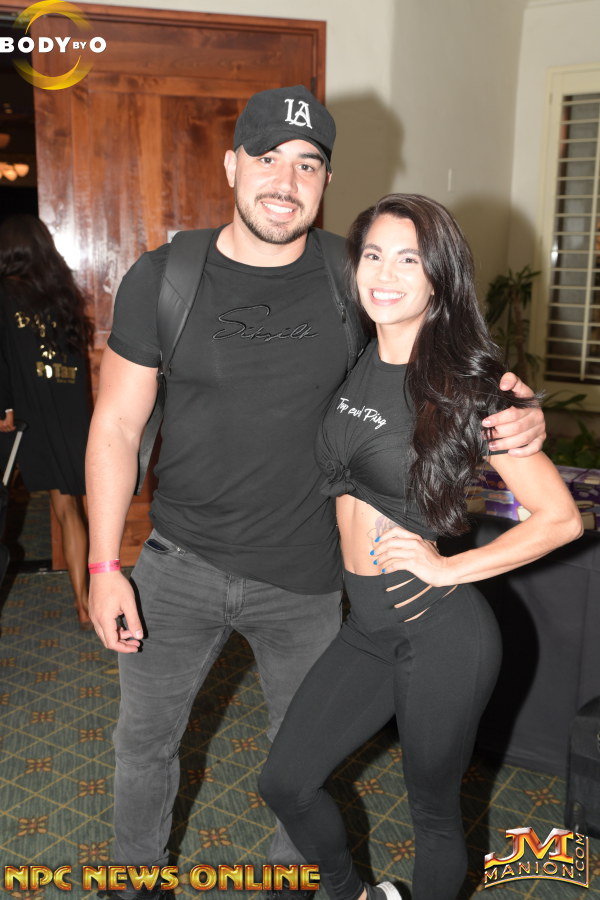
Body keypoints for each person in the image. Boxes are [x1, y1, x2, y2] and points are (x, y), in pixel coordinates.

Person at [85, 87, 547, 900]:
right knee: (142, 747)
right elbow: (117, 428)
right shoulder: (165, 276)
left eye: (307, 164)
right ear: (232, 165)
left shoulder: (354, 275)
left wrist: (515, 406)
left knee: (296, 768)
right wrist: (101, 565)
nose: (285, 180)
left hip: (308, 580)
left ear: (326, 181)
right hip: (177, 566)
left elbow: (435, 342)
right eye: (266, 158)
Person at [258, 194, 583, 900]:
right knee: (285, 781)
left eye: (409, 259)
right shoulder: (353, 352)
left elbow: (560, 519)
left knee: (432, 815)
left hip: (441, 634)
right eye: (374, 255)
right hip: (367, 629)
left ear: (439, 275)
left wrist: (448, 567)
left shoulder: (470, 390)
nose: (385, 273)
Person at [0, 214, 93, 629]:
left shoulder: (3, 293)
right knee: (68, 507)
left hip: (14, 416)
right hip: (62, 414)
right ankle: (83, 604)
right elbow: (75, 361)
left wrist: (3, 407)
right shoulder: (61, 294)